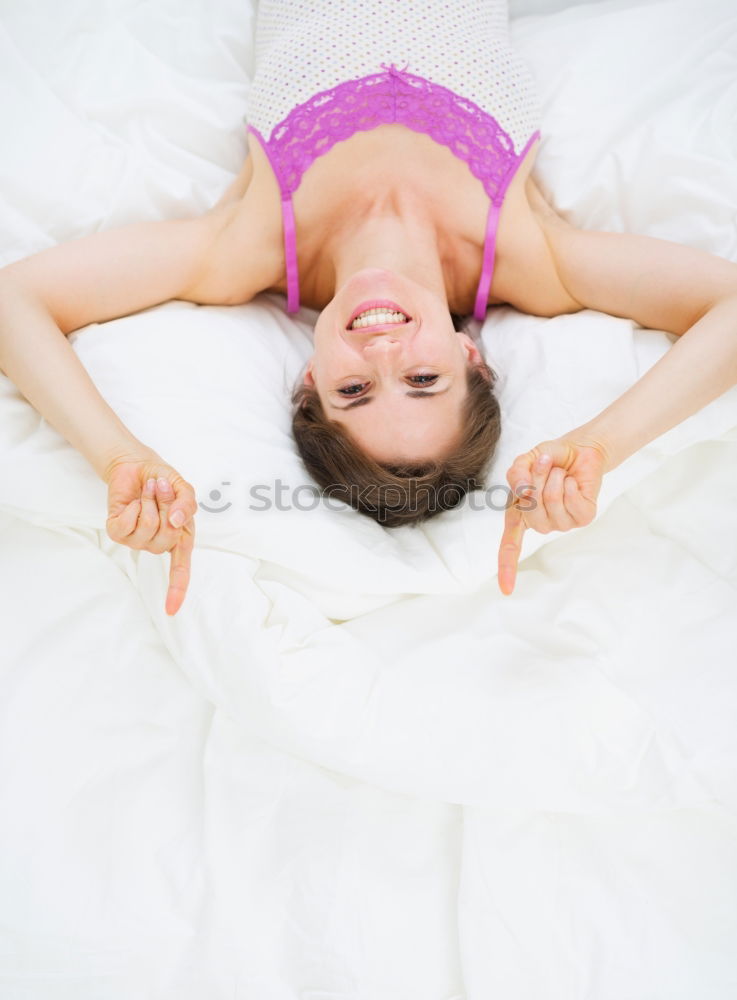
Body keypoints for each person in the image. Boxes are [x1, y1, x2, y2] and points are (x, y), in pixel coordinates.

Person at [1, 0, 736, 617]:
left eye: (353, 391)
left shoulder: (238, 250)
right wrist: (599, 446)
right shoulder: (533, 261)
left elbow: (15, 300)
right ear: (471, 355)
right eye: (423, 381)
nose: (383, 356)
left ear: (308, 380)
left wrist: (119, 457)